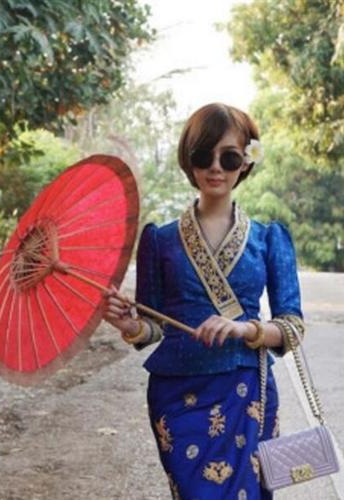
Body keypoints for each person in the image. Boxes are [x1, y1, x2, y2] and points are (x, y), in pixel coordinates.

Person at [102, 103, 304, 500]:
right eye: (203, 155)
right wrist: (131, 327)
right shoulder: (159, 240)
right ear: (188, 160)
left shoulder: (268, 239)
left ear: (245, 162)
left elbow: (292, 328)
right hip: (177, 395)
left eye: (229, 157)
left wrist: (244, 329)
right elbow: (153, 326)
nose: (215, 167)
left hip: (247, 389)